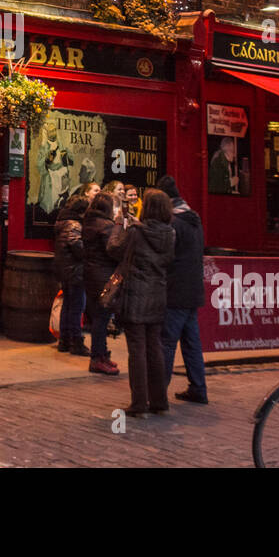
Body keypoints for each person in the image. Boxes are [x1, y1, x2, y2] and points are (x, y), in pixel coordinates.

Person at [112, 188, 175, 417]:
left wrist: (119, 226)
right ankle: (159, 401)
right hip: (158, 294)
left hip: (136, 294)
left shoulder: (137, 233)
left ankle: (139, 403)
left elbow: (114, 249)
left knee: (137, 349)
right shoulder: (170, 234)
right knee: (155, 347)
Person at [157, 175, 207, 405]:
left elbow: (166, 256)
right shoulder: (194, 219)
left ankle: (159, 392)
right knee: (191, 342)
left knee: (167, 342)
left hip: (175, 290)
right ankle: (198, 387)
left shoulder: (173, 224)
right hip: (193, 289)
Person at [82, 190, 123, 376]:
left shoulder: (89, 222)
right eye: (114, 206)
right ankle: (98, 358)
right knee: (102, 319)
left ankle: (101, 355)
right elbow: (114, 250)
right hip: (104, 276)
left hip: (91, 275)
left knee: (98, 318)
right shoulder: (106, 226)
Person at [53, 191, 90, 356]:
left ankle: (64, 341)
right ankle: (75, 342)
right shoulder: (74, 225)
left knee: (68, 305)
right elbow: (78, 249)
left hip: (66, 269)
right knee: (76, 307)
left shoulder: (63, 222)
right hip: (75, 271)